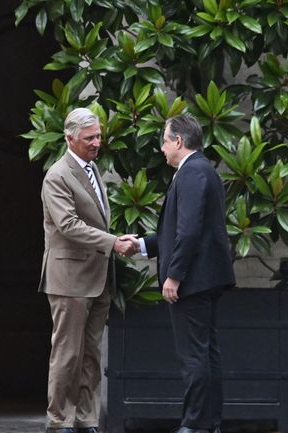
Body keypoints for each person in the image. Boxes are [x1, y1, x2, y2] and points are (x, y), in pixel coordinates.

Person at [124, 114, 235, 433]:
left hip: (193, 280)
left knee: (193, 355)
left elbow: (188, 232)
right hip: (207, 277)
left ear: (178, 141)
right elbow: (178, 230)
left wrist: (174, 276)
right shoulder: (203, 170)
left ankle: (195, 424)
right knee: (207, 352)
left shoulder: (191, 173)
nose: (161, 148)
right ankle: (209, 422)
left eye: (164, 140)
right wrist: (141, 243)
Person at [39, 107, 138, 433]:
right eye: (89, 138)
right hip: (69, 279)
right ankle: (59, 421)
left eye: (98, 135)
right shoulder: (57, 175)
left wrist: (115, 241)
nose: (97, 142)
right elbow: (68, 225)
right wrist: (113, 242)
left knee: (92, 355)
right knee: (68, 354)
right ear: (70, 139)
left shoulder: (92, 169)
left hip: (97, 278)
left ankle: (86, 419)